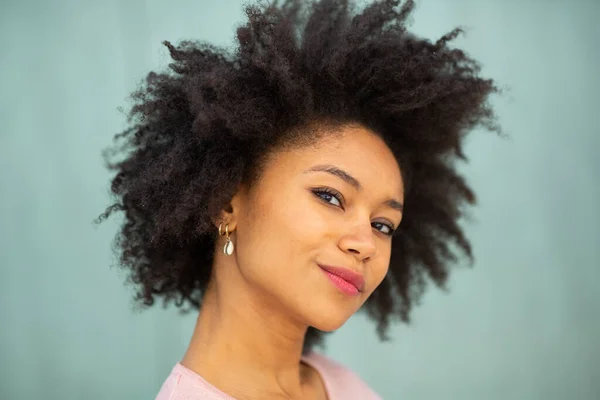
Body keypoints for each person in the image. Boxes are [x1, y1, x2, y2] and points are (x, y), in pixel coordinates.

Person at [97, 0, 499, 398]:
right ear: (226, 201)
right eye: (330, 196)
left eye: (383, 225)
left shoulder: (338, 384)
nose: (365, 244)